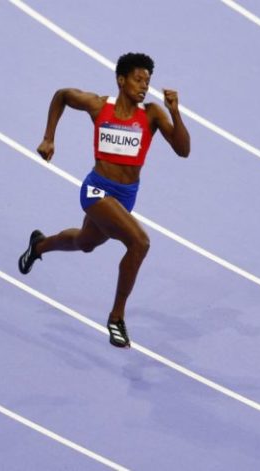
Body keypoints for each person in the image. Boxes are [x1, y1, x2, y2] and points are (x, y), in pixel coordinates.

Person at [18, 52, 191, 348]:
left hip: (125, 197)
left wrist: (175, 112)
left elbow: (183, 150)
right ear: (121, 80)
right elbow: (62, 96)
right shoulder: (99, 106)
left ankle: (39, 245)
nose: (144, 86)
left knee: (86, 243)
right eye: (138, 79)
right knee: (139, 242)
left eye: (147, 81)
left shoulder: (152, 114)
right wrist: (49, 138)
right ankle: (116, 318)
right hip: (96, 191)